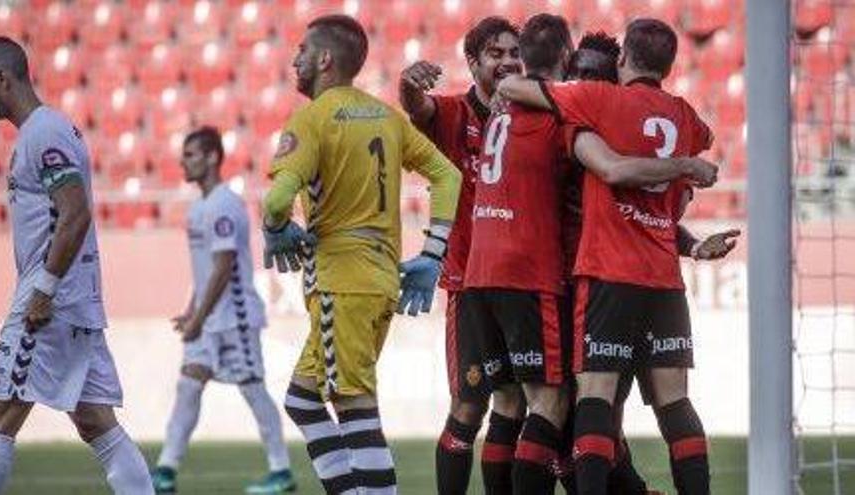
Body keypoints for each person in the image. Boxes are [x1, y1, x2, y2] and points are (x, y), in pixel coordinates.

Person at [468, 16, 720, 495]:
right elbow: (694, 152)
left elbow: (610, 164)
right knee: (672, 403)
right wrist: (684, 173)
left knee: (584, 402)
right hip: (662, 280)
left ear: (622, 61)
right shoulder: (684, 115)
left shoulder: (594, 105)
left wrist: (506, 88)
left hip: (601, 274)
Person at [261, 15, 461, 495]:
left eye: (304, 50)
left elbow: (274, 200)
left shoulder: (310, 120)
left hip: (340, 282)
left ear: (325, 59)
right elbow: (448, 176)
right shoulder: (387, 116)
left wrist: (275, 230)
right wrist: (433, 255)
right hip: (377, 280)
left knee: (355, 405)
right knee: (303, 400)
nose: (296, 59)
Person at [0, 37, 153, 495]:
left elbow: (75, 212)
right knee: (96, 423)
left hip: (49, 302)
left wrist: (44, 290)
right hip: (72, 300)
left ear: (2, 78)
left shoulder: (43, 133)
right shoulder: (45, 131)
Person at [398, 16, 527, 495]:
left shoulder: (530, 114)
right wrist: (407, 85)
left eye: (514, 52)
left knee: (514, 401)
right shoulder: (454, 114)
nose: (509, 61)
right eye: (496, 53)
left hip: (520, 281)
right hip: (470, 284)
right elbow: (419, 109)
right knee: (469, 405)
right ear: (472, 63)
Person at [150, 127, 295, 494]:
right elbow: (203, 271)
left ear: (212, 157)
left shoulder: (225, 205)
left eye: (191, 154)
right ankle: (165, 471)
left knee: (253, 390)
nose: (184, 161)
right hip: (207, 319)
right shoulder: (199, 206)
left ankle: (281, 471)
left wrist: (198, 318)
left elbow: (224, 264)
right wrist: (191, 311)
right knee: (188, 386)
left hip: (236, 318)